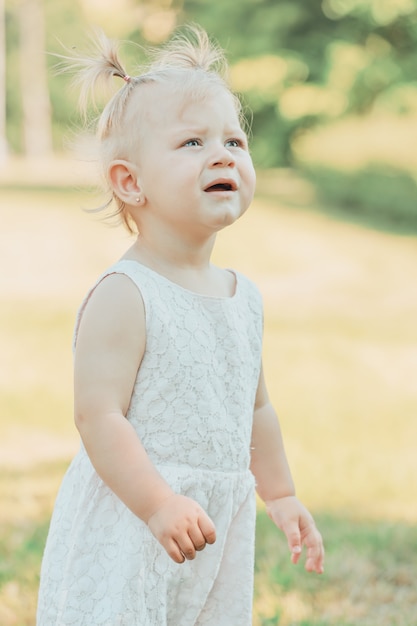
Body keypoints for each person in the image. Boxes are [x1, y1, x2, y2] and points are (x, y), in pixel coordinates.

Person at [37, 25, 324, 626]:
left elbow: (256, 409)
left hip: (211, 525)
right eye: (192, 143)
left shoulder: (243, 298)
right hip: (134, 516)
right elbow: (98, 415)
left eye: (234, 141)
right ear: (130, 182)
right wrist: (157, 504)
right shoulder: (127, 294)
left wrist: (281, 493)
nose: (223, 154)